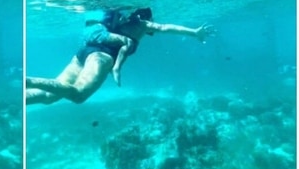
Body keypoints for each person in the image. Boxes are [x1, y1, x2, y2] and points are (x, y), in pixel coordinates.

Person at [26, 7, 216, 105]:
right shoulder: (143, 25)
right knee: (78, 94)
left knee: (49, 97)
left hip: (84, 53)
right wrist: (195, 32)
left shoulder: (121, 22)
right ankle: (28, 80)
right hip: (101, 57)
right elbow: (166, 28)